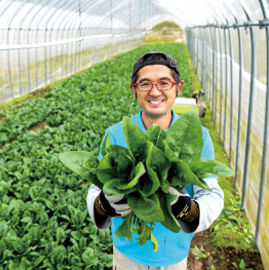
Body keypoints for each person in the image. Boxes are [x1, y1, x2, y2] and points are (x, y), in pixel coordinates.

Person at [86, 51, 224, 270]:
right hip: (127, 254)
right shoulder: (116, 134)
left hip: (174, 254)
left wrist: (189, 210)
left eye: (164, 82)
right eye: (145, 84)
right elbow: (97, 186)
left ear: (178, 87)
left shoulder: (196, 135)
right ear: (134, 90)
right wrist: (103, 204)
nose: (154, 91)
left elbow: (211, 193)